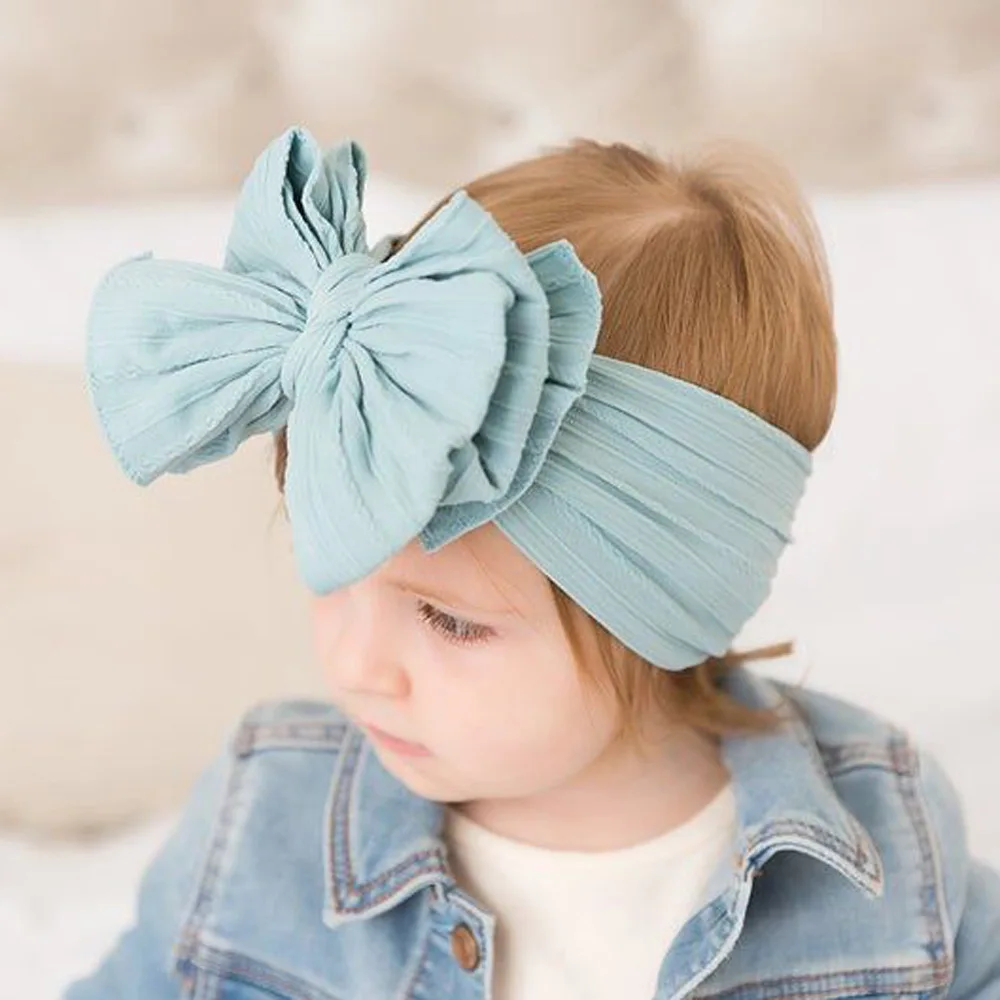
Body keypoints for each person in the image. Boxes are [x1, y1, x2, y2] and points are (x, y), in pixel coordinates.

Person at [65, 127, 999, 1000]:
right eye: (333, 562)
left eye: (449, 620)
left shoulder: (887, 845)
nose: (356, 665)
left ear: (668, 604)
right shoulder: (260, 823)